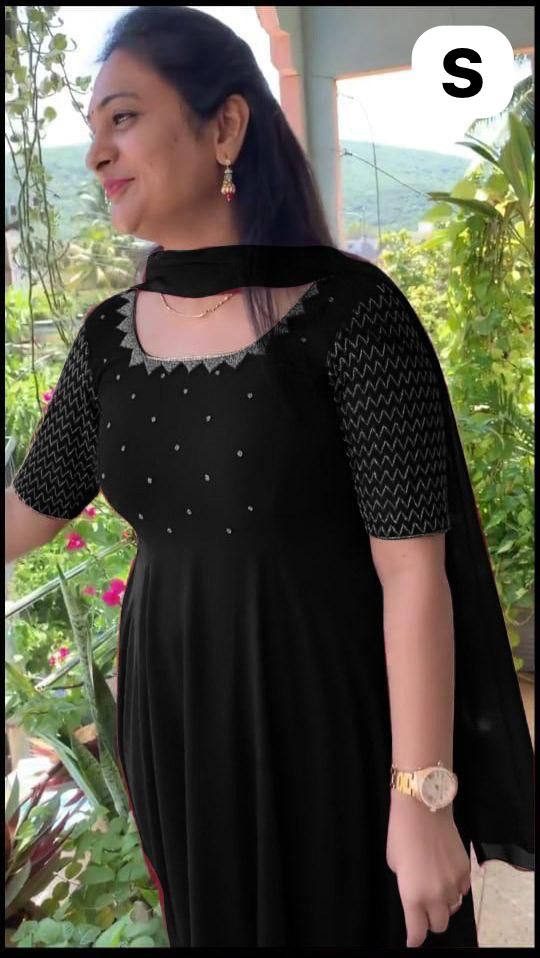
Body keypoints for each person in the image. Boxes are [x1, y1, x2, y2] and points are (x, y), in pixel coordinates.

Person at [5, 6, 533, 949]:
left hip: (327, 720)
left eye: (123, 117)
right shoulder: (107, 341)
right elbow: (29, 510)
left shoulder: (353, 316)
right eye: (92, 128)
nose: (97, 153)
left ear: (225, 127)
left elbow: (414, 574)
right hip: (179, 724)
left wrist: (422, 798)